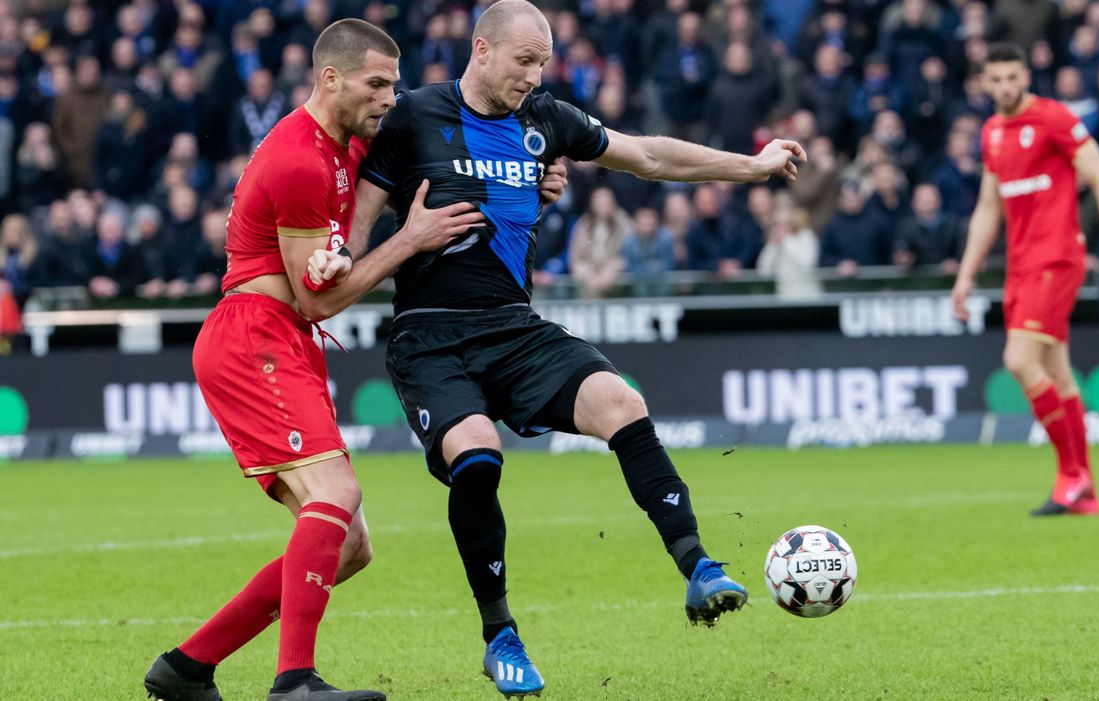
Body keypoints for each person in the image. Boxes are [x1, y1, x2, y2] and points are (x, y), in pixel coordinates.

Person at [313, 1, 805, 697]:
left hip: (515, 327)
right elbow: (359, 220)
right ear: (481, 50)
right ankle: (500, 635)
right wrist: (337, 256)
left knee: (621, 402)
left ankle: (698, 566)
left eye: (542, 63)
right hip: (429, 335)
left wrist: (752, 167)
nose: (535, 76)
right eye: (524, 61)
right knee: (478, 454)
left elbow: (649, 155)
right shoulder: (414, 116)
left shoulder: (545, 121)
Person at [141, 19, 489, 701]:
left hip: (282, 338)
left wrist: (537, 176)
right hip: (255, 338)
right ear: (331, 78)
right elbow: (317, 299)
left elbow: (427, 159)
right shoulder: (300, 158)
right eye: (376, 84)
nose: (389, 98)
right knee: (336, 496)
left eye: (394, 84)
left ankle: (186, 667)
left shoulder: (342, 146)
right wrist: (408, 241)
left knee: (350, 546)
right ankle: (294, 682)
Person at [951, 44, 1099, 518]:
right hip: (1020, 266)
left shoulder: (1054, 118)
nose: (1005, 87)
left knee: (1018, 360)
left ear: (1026, 76)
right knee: (1057, 372)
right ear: (984, 83)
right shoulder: (992, 133)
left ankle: (1071, 474)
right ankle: (1086, 490)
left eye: (1012, 77)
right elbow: (988, 207)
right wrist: (965, 274)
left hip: (1056, 258)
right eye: (996, 80)